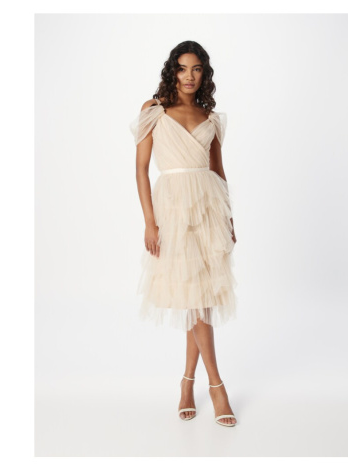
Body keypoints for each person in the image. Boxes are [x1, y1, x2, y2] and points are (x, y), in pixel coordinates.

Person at [130, 41, 238, 427]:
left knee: (200, 298)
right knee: (196, 299)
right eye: (182, 68)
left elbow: (218, 171)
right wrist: (150, 222)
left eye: (196, 69)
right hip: (173, 211)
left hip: (208, 211)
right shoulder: (154, 110)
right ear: (172, 71)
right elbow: (141, 169)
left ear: (204, 73)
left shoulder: (210, 116)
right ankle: (217, 386)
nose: (189, 76)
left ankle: (187, 382)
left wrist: (229, 219)